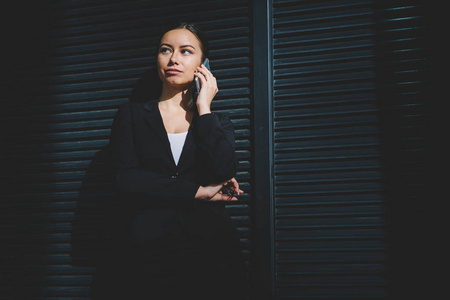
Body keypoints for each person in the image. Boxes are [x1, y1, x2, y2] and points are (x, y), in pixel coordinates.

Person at [90, 22, 247, 300]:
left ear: (203, 64)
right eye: (166, 50)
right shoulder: (131, 115)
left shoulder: (217, 122)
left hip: (209, 251)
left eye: (186, 51)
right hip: (144, 252)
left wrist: (204, 107)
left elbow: (224, 171)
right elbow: (126, 179)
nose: (174, 59)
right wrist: (196, 192)